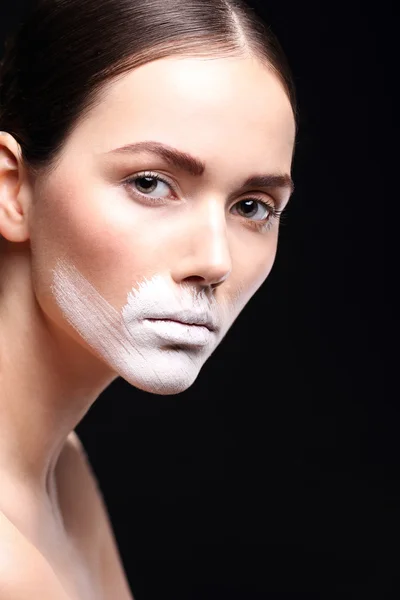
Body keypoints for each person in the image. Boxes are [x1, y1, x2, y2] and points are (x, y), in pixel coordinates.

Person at [0, 0, 297, 597]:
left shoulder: (61, 471)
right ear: (11, 189)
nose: (215, 260)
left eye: (252, 207)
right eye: (151, 183)